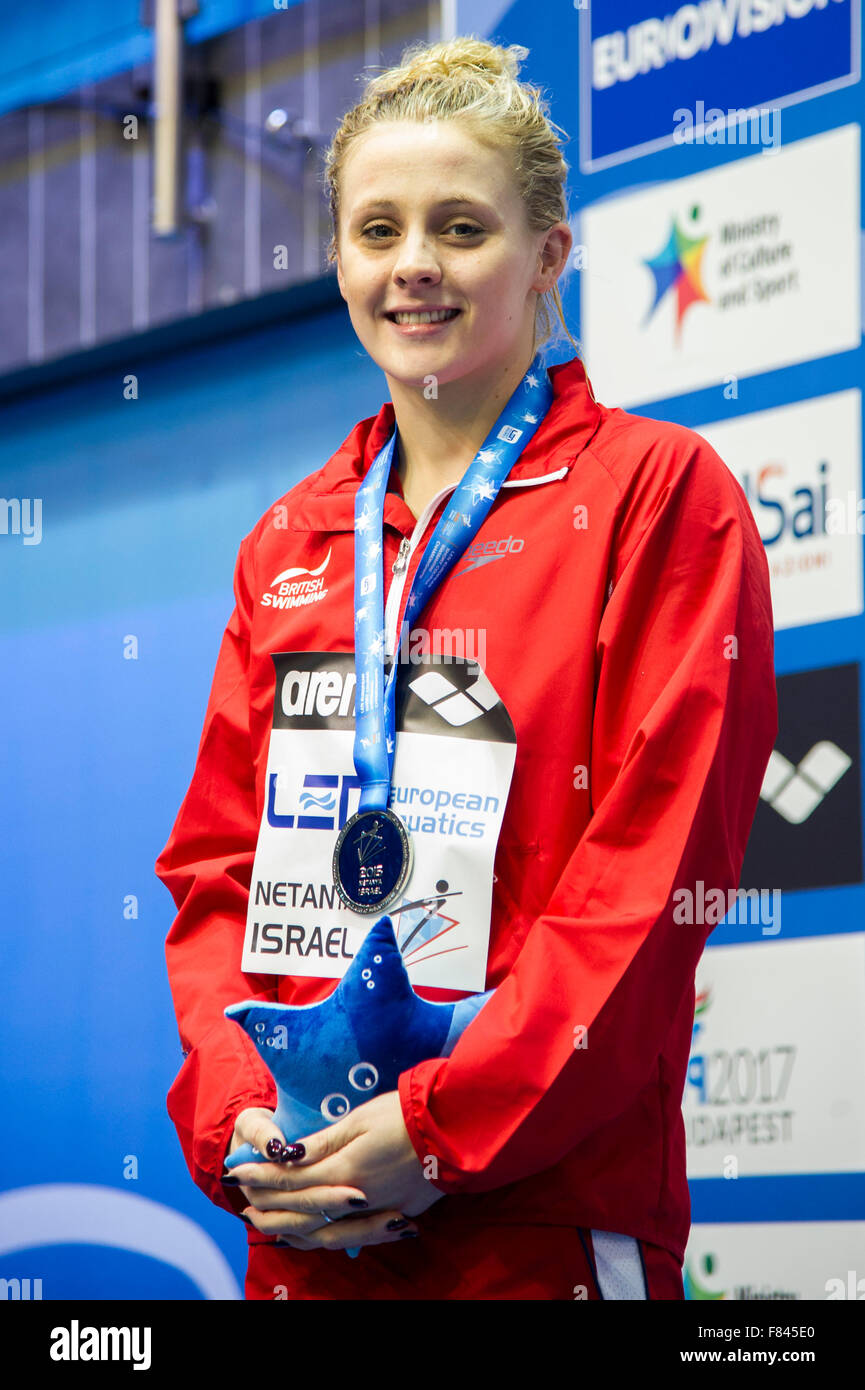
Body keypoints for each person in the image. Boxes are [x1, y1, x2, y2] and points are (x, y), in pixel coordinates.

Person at [155, 36, 777, 1302]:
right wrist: (237, 1131)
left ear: (550, 254)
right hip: (303, 1214)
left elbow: (652, 879)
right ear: (337, 260)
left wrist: (443, 1127)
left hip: (531, 1223)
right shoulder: (292, 535)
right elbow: (219, 874)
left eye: (460, 227)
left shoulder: (658, 496)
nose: (414, 266)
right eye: (376, 230)